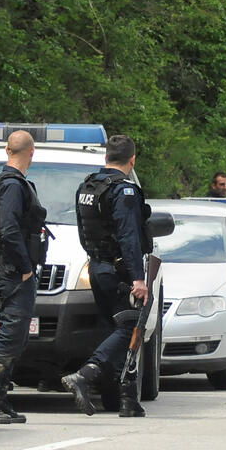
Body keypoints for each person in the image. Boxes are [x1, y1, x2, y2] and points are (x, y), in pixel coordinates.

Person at [62, 135, 152, 418]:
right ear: (132, 159)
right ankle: (85, 376)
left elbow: (82, 231)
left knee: (117, 330)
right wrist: (138, 278)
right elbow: (128, 236)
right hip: (120, 271)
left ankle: (127, 399)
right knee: (129, 328)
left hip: (98, 267)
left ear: (106, 157)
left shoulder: (87, 186)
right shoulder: (124, 191)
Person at [0, 130, 48, 424]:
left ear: (7, 150)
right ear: (32, 152)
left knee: (16, 335)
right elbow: (10, 229)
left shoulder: (4, 183)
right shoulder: (13, 186)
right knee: (11, 335)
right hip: (14, 270)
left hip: (9, 268)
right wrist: (26, 265)